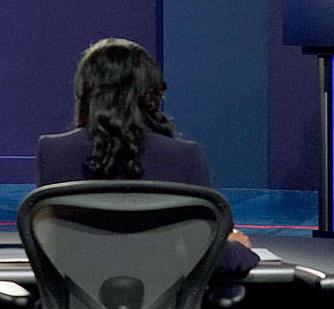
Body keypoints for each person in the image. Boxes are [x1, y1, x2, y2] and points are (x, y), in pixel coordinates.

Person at [37, 38, 259, 277]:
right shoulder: (183, 156)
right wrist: (238, 248)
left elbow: (49, 247)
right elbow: (210, 257)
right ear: (151, 94)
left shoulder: (53, 151)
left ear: (85, 92)